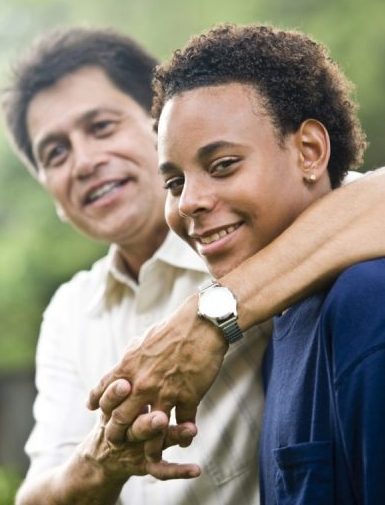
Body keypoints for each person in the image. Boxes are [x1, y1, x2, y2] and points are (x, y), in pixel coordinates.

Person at [3, 25, 385, 505]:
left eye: (101, 127)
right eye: (55, 153)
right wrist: (106, 456)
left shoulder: (266, 227)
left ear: (157, 125)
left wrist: (207, 321)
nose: (83, 161)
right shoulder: (70, 312)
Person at [149, 23, 385, 503]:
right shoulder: (272, 326)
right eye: (174, 183)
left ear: (310, 152)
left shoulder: (367, 299)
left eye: (222, 166)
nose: (189, 202)